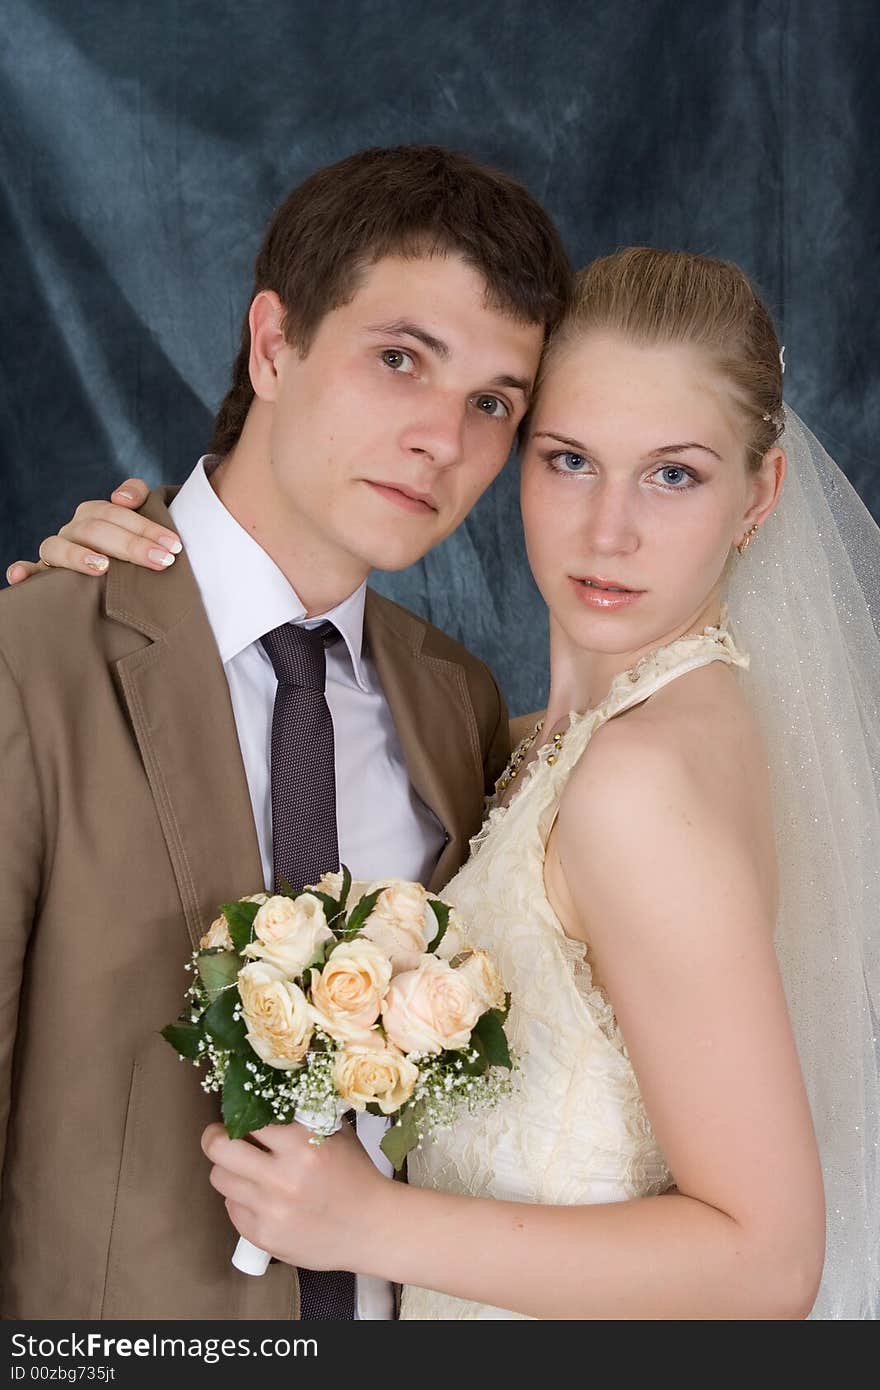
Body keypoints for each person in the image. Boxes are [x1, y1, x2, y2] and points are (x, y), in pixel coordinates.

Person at [29, 248, 880, 1320]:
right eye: (570, 460)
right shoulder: (534, 739)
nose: (607, 530)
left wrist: (363, 1223)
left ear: (759, 493)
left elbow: (766, 1266)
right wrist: (112, 594)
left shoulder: (640, 784)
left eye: (674, 473)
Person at [0, 144, 571, 1320]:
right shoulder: (35, 659)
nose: (441, 439)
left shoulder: (453, 700)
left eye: (492, 403)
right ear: (273, 343)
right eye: (400, 358)